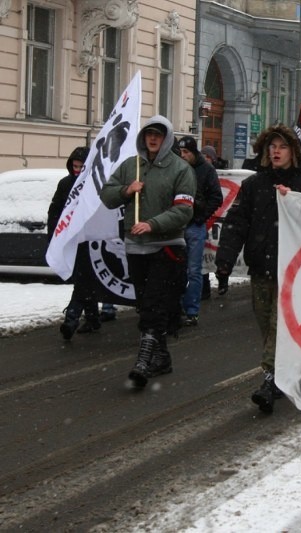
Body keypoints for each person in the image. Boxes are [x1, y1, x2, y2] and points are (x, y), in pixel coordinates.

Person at [214, 124, 301, 415]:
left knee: (281, 325)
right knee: (266, 324)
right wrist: (225, 258)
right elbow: (237, 222)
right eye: (271, 147)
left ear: (293, 151)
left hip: (294, 270)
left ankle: (271, 378)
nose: (275, 151)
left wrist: (295, 202)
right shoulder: (254, 185)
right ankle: (282, 371)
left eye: (282, 146)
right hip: (261, 266)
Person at [100, 115, 196, 388]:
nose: (152, 139)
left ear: (167, 139)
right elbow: (107, 195)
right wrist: (126, 190)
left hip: (167, 247)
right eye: (148, 134)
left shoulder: (180, 169)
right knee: (146, 304)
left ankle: (143, 361)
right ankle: (162, 357)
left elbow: (183, 210)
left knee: (155, 302)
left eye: (158, 134)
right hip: (135, 247)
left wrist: (152, 224)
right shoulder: (132, 167)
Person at [47, 146, 101, 340]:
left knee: (84, 279)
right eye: (75, 166)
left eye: (81, 166)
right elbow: (55, 211)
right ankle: (93, 318)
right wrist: (55, 235)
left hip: (91, 240)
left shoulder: (95, 185)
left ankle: (72, 318)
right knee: (84, 279)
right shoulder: (65, 184)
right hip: (72, 239)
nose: (77, 170)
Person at [177, 136, 223, 326]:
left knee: (194, 270)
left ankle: (191, 310)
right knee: (177, 270)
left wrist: (200, 217)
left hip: (195, 226)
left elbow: (216, 197)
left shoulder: (207, 170)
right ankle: (177, 307)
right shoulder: (178, 169)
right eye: (181, 153)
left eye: (186, 152)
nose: (183, 156)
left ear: (193, 152)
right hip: (178, 225)